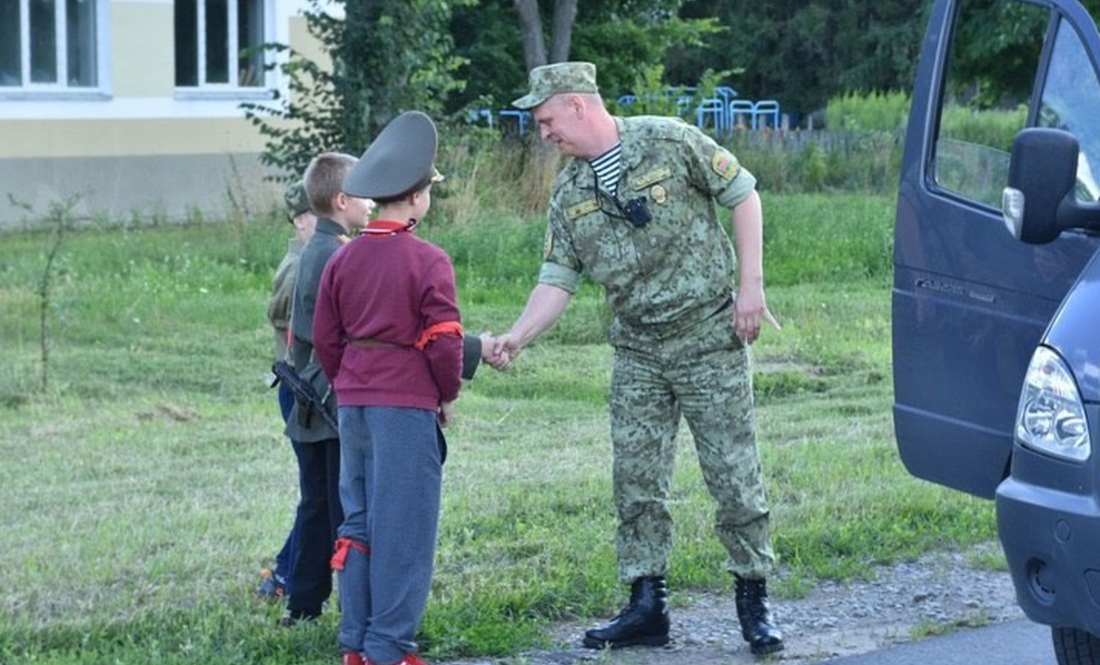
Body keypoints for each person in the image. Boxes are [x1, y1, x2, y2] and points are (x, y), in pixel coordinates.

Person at [494, 62, 785, 656]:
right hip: (638, 350)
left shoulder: (669, 140)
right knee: (636, 480)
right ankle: (646, 604)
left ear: (577, 105)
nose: (544, 133)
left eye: (547, 119)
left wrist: (752, 286)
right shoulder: (571, 191)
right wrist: (517, 337)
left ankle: (754, 599)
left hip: (706, 335)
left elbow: (744, 193)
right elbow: (557, 279)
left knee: (733, 473)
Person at [311, 111, 465, 665]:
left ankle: (356, 643)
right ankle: (389, 649)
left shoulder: (344, 257)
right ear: (418, 197)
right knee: (405, 528)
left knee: (358, 523)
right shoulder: (429, 259)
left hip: (352, 403)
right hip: (406, 406)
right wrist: (446, 394)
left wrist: (349, 383)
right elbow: (446, 342)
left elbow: (324, 339)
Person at [280, 152, 373, 626]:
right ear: (342, 200)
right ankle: (347, 608)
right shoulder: (338, 253)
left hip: (310, 395)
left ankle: (303, 604)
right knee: (340, 506)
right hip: (329, 396)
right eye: (363, 193)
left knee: (317, 502)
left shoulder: (319, 247)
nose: (371, 201)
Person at [257, 180, 317, 601]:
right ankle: (284, 576)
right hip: (301, 392)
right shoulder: (298, 268)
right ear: (299, 221)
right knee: (319, 495)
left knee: (324, 493)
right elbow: (286, 317)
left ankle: (288, 573)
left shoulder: (313, 259)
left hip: (310, 391)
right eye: (320, 214)